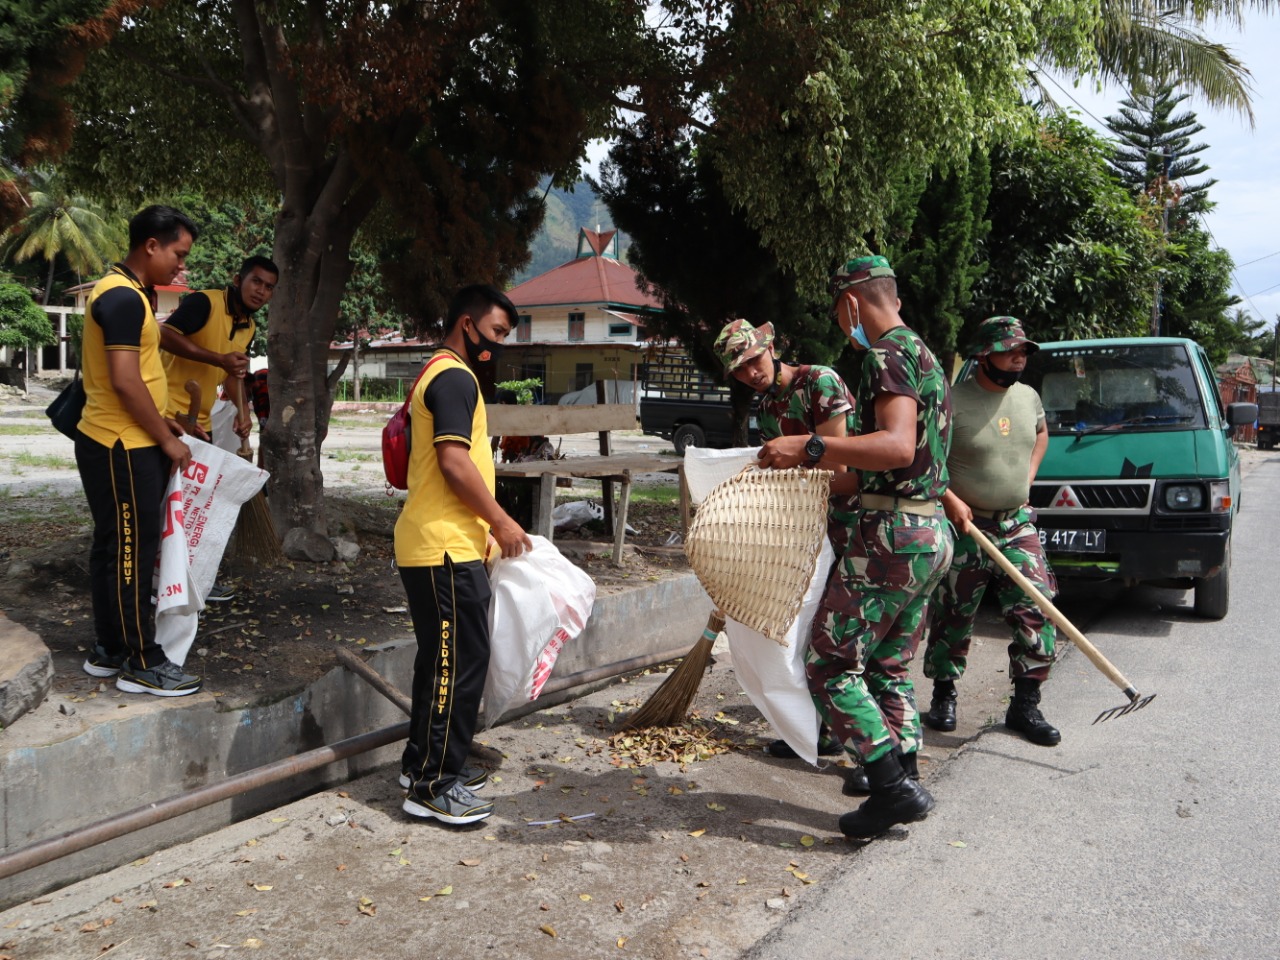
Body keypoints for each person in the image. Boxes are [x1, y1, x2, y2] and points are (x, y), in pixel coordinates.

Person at [756, 254, 953, 838]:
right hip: (927, 531)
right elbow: (900, 462)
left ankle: (889, 787)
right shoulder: (925, 355)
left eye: (840, 314)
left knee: (829, 661)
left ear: (850, 304)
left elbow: (893, 447)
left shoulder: (885, 356)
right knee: (889, 662)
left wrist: (811, 447)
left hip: (891, 535)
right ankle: (905, 771)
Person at [396, 283, 532, 825]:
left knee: (440, 663)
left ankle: (420, 765)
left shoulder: (443, 372)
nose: (499, 343)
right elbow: (454, 464)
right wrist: (501, 520)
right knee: (460, 664)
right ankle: (433, 786)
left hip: (439, 545)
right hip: (443, 549)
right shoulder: (453, 376)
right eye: (497, 332)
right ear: (467, 324)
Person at [712, 317, 867, 789]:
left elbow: (840, 466)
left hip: (852, 519)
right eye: (739, 370)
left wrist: (788, 463)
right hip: (806, 524)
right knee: (806, 630)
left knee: (842, 639)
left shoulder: (819, 381)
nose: (750, 373)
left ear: (772, 347)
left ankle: (869, 750)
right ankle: (815, 728)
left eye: (753, 361)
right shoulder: (770, 403)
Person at [76, 204, 204, 697]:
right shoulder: (123, 299)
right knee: (133, 548)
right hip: (122, 444)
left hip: (116, 437)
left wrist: (167, 420)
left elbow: (136, 379)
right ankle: (142, 659)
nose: (180, 265)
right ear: (151, 246)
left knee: (113, 545)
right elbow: (126, 383)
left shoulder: (126, 292)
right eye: (178, 253)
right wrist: (169, 441)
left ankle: (110, 647)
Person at [921, 316, 1060, 746]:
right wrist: (951, 501)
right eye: (1010, 349)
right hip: (966, 526)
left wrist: (1026, 479)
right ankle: (944, 696)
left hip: (1015, 524)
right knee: (953, 613)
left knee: (1037, 604)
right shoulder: (952, 400)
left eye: (1023, 350)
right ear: (985, 354)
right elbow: (928, 460)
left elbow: (1041, 434)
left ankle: (1025, 704)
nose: (1019, 357)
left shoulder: (1028, 397)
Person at [160, 255, 279, 601]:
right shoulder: (204, 302)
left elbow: (233, 372)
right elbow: (165, 335)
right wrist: (218, 359)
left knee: (190, 506)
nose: (261, 291)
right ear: (238, 278)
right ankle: (164, 585)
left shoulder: (249, 326)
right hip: (165, 414)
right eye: (256, 281)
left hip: (200, 423)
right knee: (166, 506)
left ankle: (189, 580)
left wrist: (244, 412)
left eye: (269, 287)